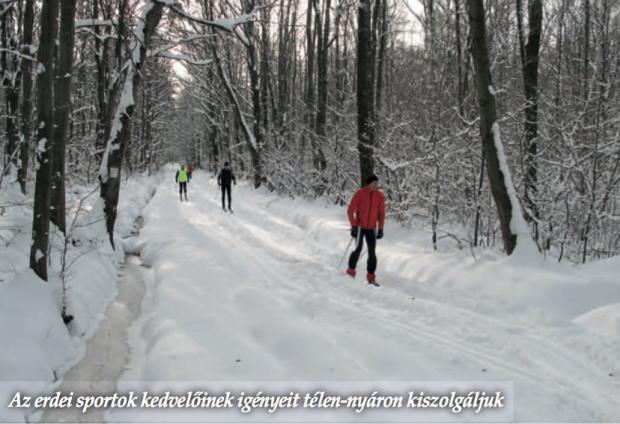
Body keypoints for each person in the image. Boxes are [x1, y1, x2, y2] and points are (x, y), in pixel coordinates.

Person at [345, 174, 385, 286]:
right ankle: (350, 272)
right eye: (374, 183)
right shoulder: (360, 193)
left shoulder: (379, 196)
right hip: (359, 226)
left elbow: (381, 214)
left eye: (377, 183)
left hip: (371, 228)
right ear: (369, 183)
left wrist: (381, 229)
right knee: (358, 248)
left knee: (372, 252)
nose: (376, 185)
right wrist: (353, 226)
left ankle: (371, 277)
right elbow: (350, 211)